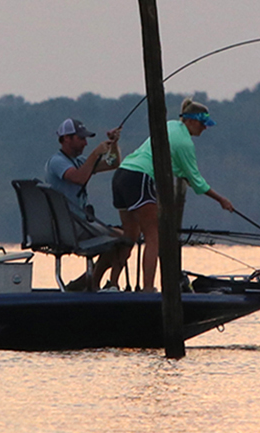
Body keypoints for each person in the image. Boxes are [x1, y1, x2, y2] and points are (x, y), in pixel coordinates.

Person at [112, 98, 234, 292]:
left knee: (130, 235)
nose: (205, 128)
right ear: (191, 121)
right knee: (154, 236)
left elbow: (175, 166)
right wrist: (221, 200)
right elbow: (196, 181)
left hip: (122, 174)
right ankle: (148, 289)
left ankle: (112, 284)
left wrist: (184, 174)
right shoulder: (184, 142)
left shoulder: (170, 125)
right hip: (140, 177)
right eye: (203, 124)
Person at [45, 118, 130, 291]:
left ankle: (94, 283)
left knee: (125, 238)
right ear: (66, 139)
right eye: (81, 138)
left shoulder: (79, 161)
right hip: (68, 227)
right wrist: (96, 153)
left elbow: (113, 163)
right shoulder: (56, 162)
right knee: (121, 238)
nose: (85, 143)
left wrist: (113, 144)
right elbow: (79, 178)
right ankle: (94, 283)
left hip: (82, 224)